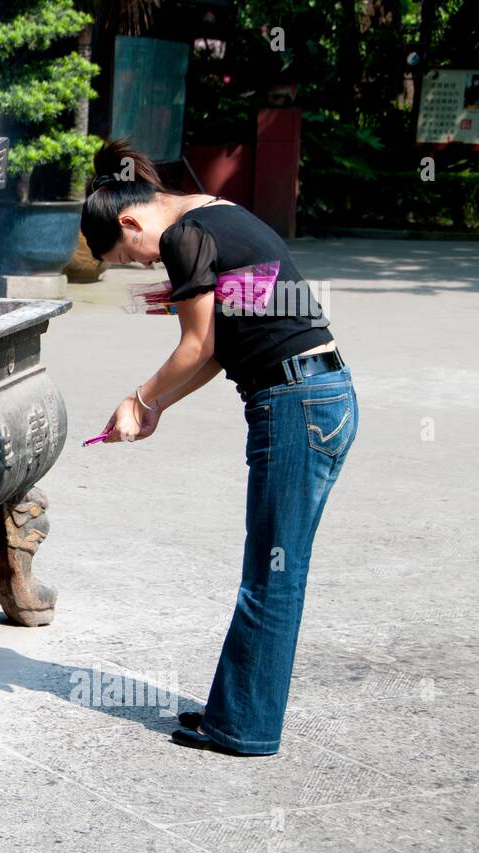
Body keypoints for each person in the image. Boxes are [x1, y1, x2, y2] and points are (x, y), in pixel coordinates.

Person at [81, 139, 357, 756]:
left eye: (129, 255)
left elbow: (196, 346)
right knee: (272, 568)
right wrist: (156, 407)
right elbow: (220, 346)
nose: (143, 265)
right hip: (319, 397)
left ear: (130, 220)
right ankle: (238, 709)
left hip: (296, 404)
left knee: (271, 573)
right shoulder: (217, 213)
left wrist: (138, 397)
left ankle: (247, 727)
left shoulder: (184, 238)